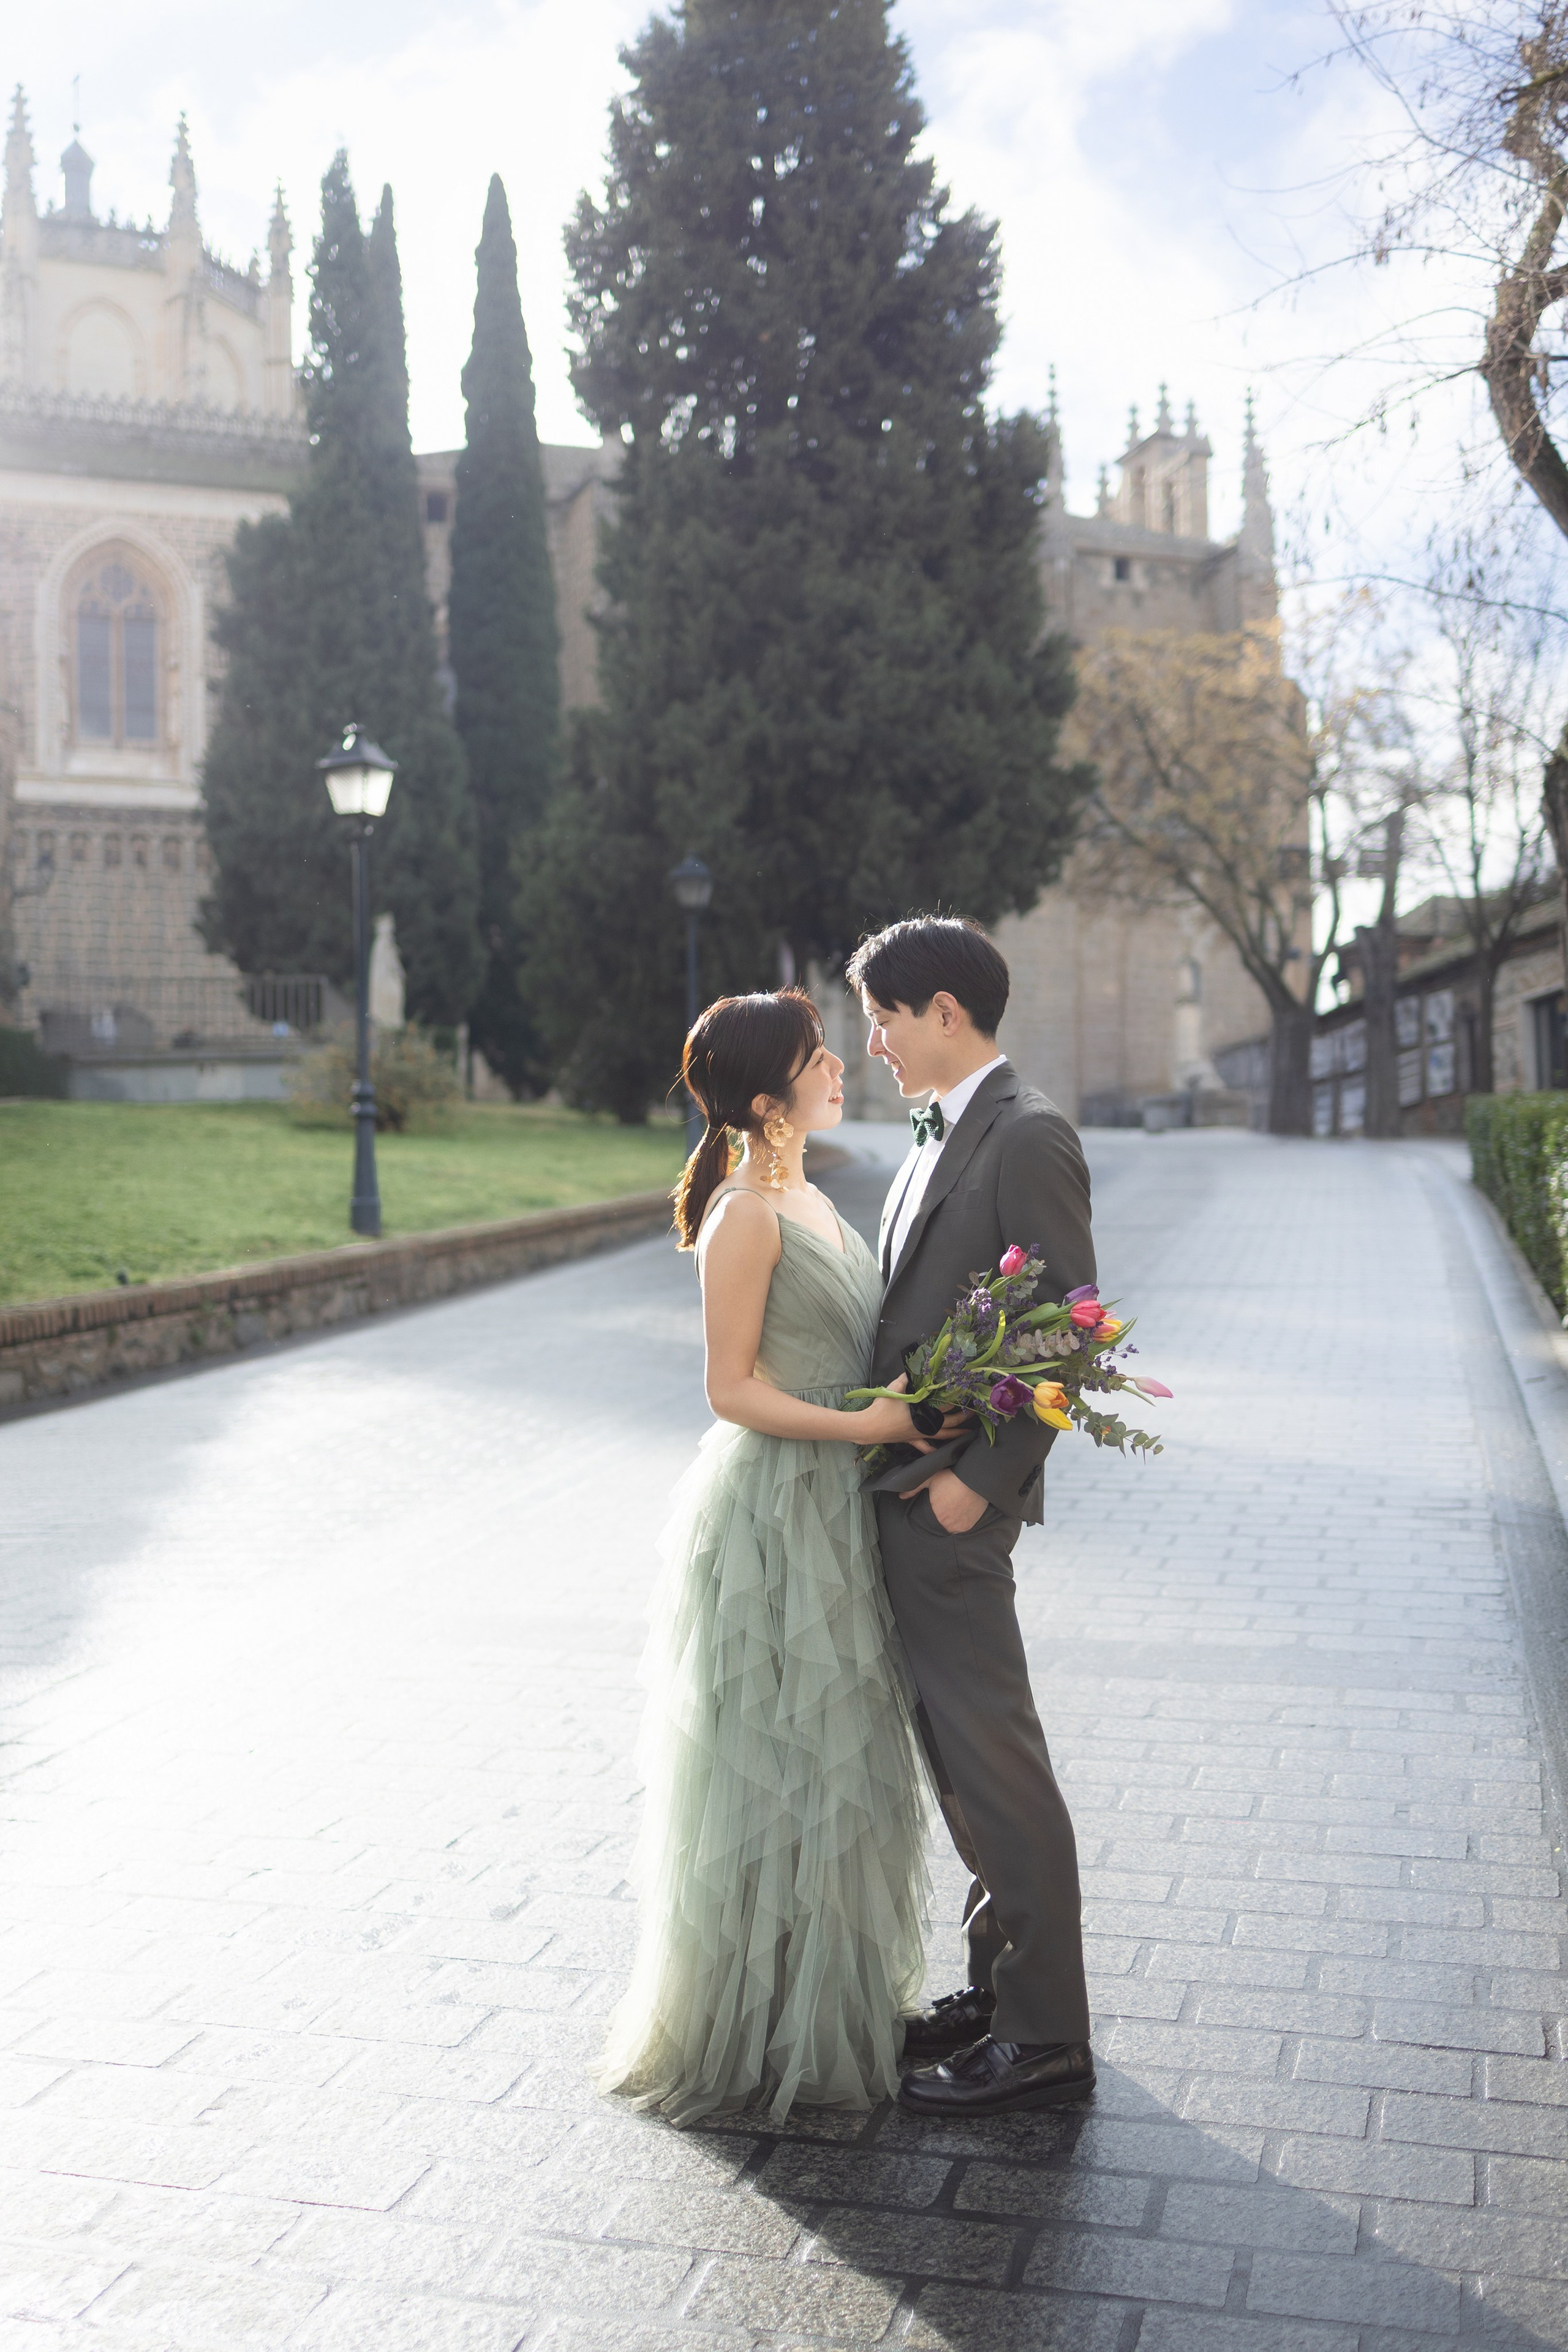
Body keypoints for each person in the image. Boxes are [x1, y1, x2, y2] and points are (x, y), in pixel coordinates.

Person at [592, 987, 958, 2127]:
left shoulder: (807, 1188)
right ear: (768, 1098)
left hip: (835, 1500)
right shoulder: (746, 1212)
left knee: (839, 1761)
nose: (842, 1065)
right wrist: (873, 1427)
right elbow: (732, 1388)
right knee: (779, 1766)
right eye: (817, 1057)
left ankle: (827, 1993)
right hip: (776, 1513)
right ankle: (758, 2024)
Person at [843, 914, 1097, 2117]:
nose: (873, 1040)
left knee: (994, 1763)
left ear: (943, 1009)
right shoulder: (939, 1132)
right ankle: (997, 1991)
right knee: (960, 1767)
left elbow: (1069, 1329)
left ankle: (1046, 2036)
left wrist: (973, 1483)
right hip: (904, 1496)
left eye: (883, 1017)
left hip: (950, 1508)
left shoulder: (1026, 1134)